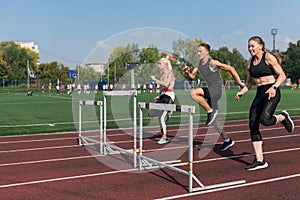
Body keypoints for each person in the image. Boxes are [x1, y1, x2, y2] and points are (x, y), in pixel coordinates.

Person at [235, 36, 294, 170]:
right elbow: (249, 83)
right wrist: (242, 92)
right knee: (253, 123)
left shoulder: (268, 58)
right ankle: (260, 160)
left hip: (272, 91)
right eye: (248, 46)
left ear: (261, 46)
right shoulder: (249, 64)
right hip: (260, 94)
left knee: (265, 120)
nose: (250, 49)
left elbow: (282, 75)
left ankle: (283, 117)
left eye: (253, 46)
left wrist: (274, 87)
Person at [183, 43, 245, 151]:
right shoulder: (198, 64)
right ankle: (227, 140)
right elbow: (192, 77)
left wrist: (239, 83)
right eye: (197, 51)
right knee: (214, 121)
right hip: (211, 91)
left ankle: (209, 111)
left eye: (200, 51)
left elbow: (231, 68)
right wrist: (188, 72)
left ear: (207, 52)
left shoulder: (212, 62)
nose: (198, 53)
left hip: (216, 90)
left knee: (193, 93)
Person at [149, 56, 175, 144]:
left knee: (161, 117)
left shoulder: (170, 73)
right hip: (163, 94)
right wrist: (159, 96)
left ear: (165, 65)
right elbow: (163, 88)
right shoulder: (162, 74)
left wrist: (155, 80)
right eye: (158, 63)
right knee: (151, 113)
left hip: (169, 95)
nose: (158, 65)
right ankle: (168, 113)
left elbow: (166, 84)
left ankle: (164, 137)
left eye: (160, 63)